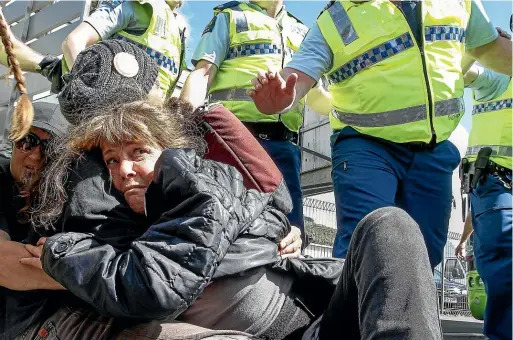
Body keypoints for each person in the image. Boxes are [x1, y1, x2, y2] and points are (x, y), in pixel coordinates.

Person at [25, 92, 444, 339]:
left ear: (173, 152)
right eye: (112, 161)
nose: (124, 170)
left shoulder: (199, 184)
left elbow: (156, 283)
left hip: (318, 322)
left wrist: (58, 251)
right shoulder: (125, 228)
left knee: (389, 224)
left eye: (139, 153)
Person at [247, 0, 513, 267]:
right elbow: (299, 75)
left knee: (424, 255)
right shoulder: (336, 18)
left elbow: (489, 47)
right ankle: (351, 308)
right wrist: (281, 98)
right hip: (366, 146)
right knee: (367, 246)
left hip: (434, 151)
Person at [180, 0, 332, 241]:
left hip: (284, 148)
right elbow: (202, 74)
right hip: (233, 143)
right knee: (224, 230)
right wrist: (183, 135)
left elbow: (316, 97)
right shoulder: (230, 17)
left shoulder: (302, 31)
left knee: (288, 237)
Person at [0, 102, 71, 340]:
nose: (36, 155)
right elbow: (3, 260)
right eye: (27, 141)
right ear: (13, 141)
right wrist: (101, 279)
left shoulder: (63, 194)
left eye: (51, 148)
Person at [459, 59, 512, 339]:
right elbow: (464, 69)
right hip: (498, 183)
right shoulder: (499, 74)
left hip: (494, 193)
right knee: (506, 268)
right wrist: (482, 46)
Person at [62, 0, 186, 96]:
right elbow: (73, 42)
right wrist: (90, 96)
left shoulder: (178, 35)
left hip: (143, 121)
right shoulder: (133, 5)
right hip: (108, 116)